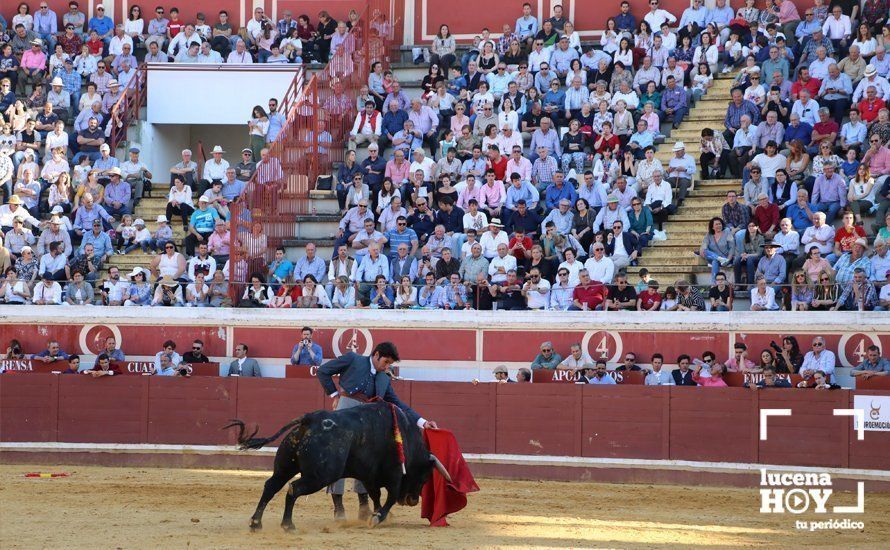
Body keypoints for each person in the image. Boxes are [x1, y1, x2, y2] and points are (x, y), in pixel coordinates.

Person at [317, 342, 437, 519]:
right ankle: (338, 506)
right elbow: (323, 371)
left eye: (390, 364)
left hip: (369, 419)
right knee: (339, 455)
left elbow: (397, 403)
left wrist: (423, 422)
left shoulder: (384, 378)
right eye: (386, 362)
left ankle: (364, 504)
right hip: (346, 410)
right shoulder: (353, 359)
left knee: (367, 460)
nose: (387, 366)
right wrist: (334, 395)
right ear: (377, 355)